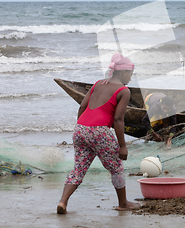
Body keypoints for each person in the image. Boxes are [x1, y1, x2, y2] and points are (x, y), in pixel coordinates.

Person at [57, 53, 140, 214]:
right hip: (100, 131)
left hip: (80, 128)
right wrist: (122, 146)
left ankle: (62, 202)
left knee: (79, 169)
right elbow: (118, 120)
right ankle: (123, 203)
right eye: (130, 74)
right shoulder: (124, 90)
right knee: (116, 167)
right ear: (123, 73)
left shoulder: (97, 84)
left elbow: (82, 107)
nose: (130, 77)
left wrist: (81, 128)